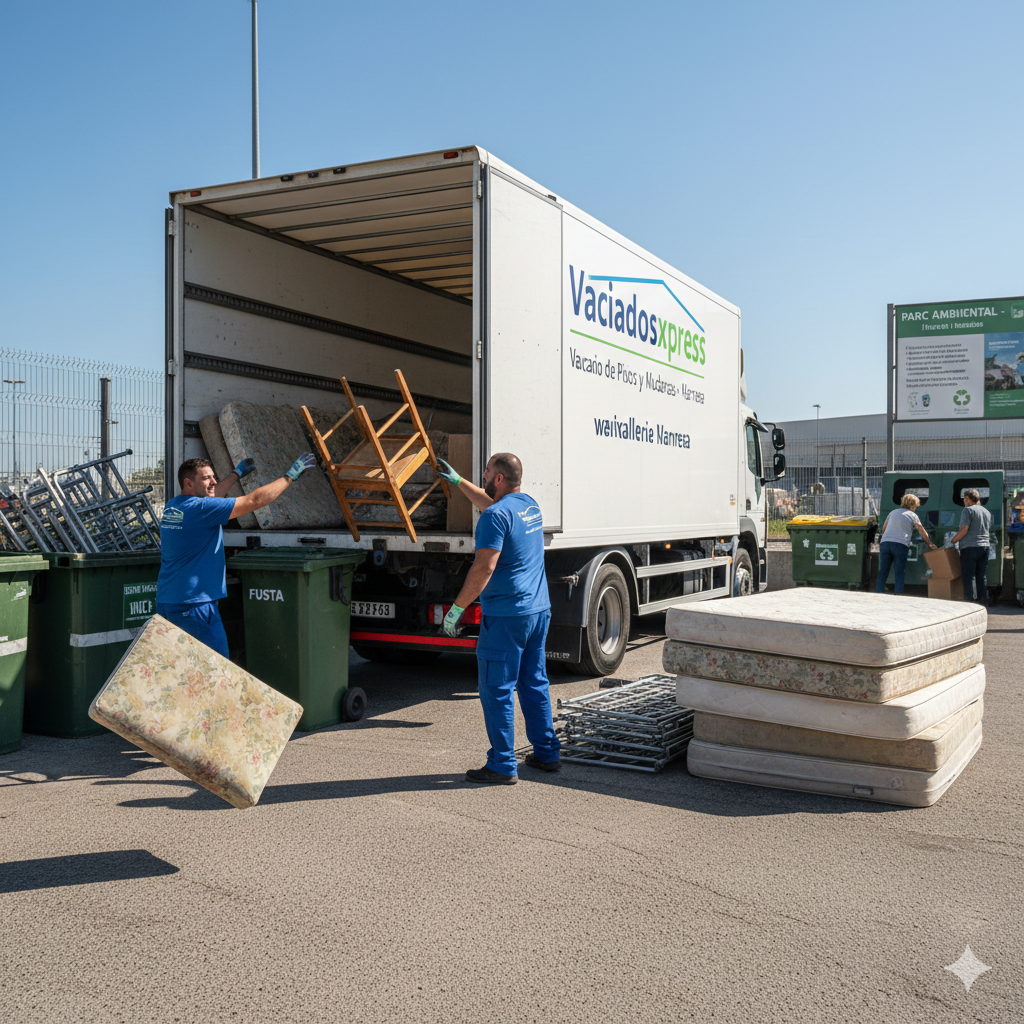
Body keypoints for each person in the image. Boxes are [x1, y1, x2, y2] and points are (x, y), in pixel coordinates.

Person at [435, 452, 560, 785]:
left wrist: (457, 609)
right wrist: (459, 482)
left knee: (497, 689)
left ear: (499, 478)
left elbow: (484, 568)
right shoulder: (529, 506)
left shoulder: (493, 517)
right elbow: (492, 505)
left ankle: (503, 765)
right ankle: (547, 753)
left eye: (487, 472)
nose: (484, 476)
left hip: (507, 617)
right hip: (537, 611)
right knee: (534, 682)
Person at [156, 452, 317, 657]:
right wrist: (289, 476)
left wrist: (236, 474)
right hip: (194, 606)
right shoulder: (202, 509)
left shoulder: (174, 506)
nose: (213, 481)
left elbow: (214, 495)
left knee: (183, 665)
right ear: (188, 483)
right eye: (206, 478)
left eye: (213, 476)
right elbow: (254, 500)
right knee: (216, 665)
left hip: (168, 601)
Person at [875, 493, 936, 595]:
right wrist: (930, 543)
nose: (915, 509)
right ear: (912, 506)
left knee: (883, 571)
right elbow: (921, 530)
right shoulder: (913, 515)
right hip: (900, 544)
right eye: (915, 507)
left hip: (885, 543)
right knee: (899, 572)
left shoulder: (893, 512)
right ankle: (898, 595)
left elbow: (884, 529)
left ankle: (878, 593)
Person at [947, 488, 993, 604]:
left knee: (969, 576)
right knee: (981, 575)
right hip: (985, 547)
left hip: (970, 547)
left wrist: (953, 540)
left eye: (965, 499)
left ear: (971, 499)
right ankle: (983, 600)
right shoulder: (986, 512)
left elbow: (964, 529)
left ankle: (970, 601)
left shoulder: (967, 510)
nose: (964, 501)